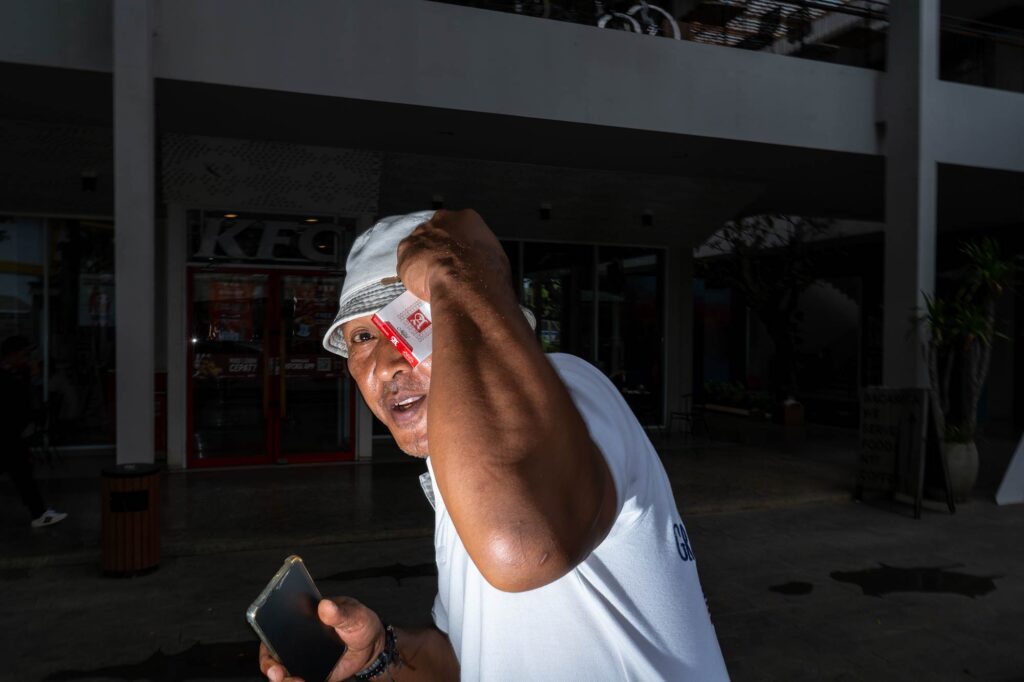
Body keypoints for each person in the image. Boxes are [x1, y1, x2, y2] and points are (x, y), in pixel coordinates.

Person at [260, 210, 729, 681]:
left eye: (412, 324)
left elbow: (521, 549)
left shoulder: (565, 387)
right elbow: (463, 659)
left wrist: (456, 273)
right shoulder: (455, 472)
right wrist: (378, 654)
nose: (385, 366)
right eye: (362, 337)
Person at [0, 335, 68, 528]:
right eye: (24, 354)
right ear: (11, 355)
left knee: (22, 474)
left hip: (10, 436)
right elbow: (21, 403)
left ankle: (39, 513)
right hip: (7, 436)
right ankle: (39, 513)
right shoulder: (9, 378)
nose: (28, 359)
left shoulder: (15, 374)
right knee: (22, 474)